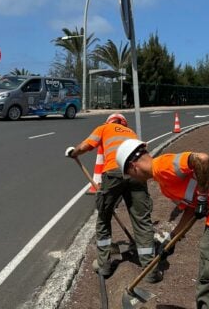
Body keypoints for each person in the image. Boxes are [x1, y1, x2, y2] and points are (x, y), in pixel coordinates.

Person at [116, 139, 209, 309]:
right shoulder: (163, 184)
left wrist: (202, 198)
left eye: (130, 175)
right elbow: (191, 209)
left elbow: (201, 159)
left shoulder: (162, 166)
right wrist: (171, 240)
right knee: (208, 270)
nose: (133, 178)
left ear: (133, 166)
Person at [64, 113, 161, 283]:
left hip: (113, 172)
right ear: (124, 123)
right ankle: (150, 271)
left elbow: (86, 145)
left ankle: (104, 265)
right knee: (142, 220)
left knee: (104, 217)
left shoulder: (104, 128)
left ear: (109, 121)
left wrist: (74, 153)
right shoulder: (131, 133)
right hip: (137, 173)